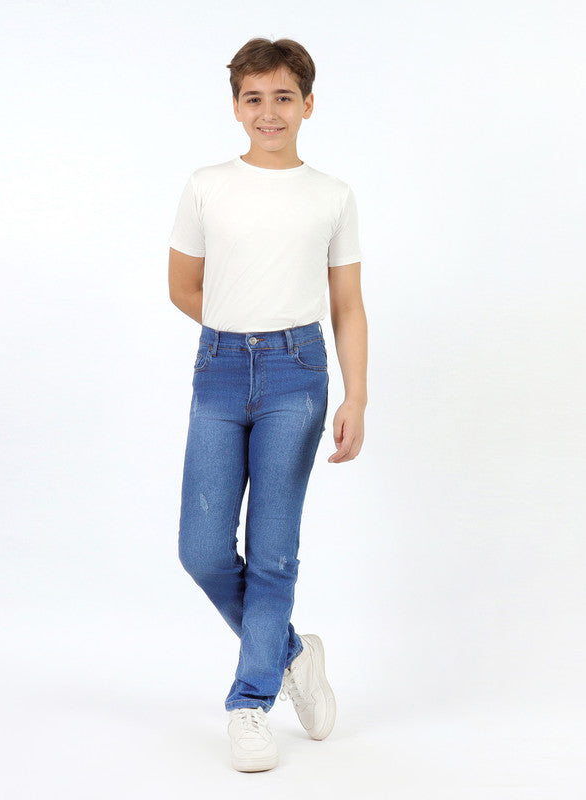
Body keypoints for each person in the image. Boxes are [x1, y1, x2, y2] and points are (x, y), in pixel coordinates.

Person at [167, 36, 367, 773]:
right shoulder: (206, 187)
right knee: (202, 549)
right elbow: (183, 286)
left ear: (308, 105)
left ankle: (249, 703)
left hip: (297, 372)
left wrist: (357, 395)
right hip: (220, 369)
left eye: (284, 97)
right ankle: (290, 654)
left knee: (274, 548)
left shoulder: (331, 195)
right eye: (254, 98)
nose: (269, 111)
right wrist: (239, 329)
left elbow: (347, 305)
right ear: (235, 107)